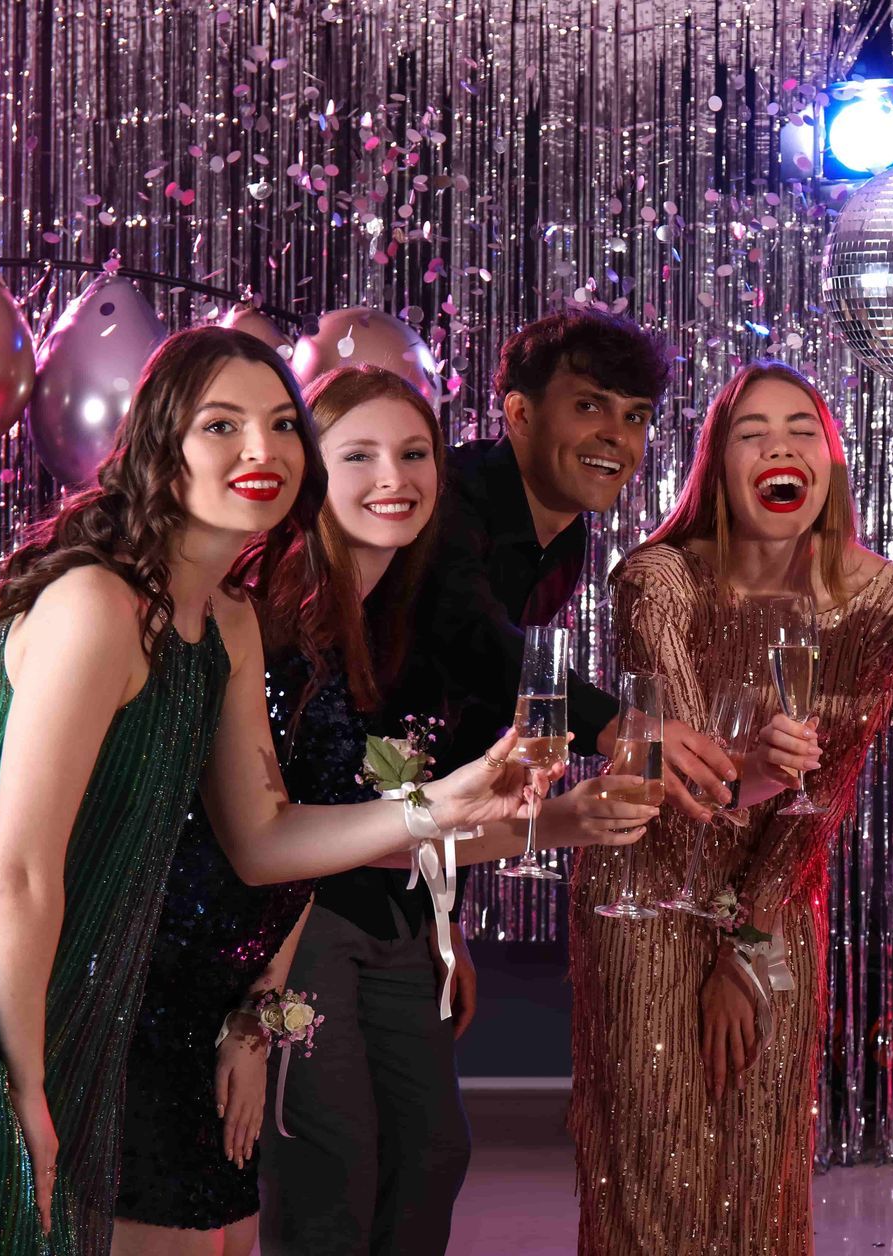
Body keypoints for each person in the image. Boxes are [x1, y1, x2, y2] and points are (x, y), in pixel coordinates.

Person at [0, 327, 537, 1256]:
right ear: (159, 446)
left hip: (121, 1002)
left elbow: (263, 840)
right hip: (2, 1002)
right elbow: (18, 875)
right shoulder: (95, 606)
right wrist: (23, 1090)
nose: (262, 450)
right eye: (221, 425)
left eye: (279, 423)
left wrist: (446, 803)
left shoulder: (224, 619)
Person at [113, 365, 653, 1256]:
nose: (393, 479)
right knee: (332, 1171)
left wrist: (551, 827)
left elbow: (398, 816)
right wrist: (255, 1012)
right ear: (311, 470)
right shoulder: (271, 612)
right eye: (357, 455)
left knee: (432, 1157)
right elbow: (270, 836)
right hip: (278, 933)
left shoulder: (401, 609)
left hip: (388, 917)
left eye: (414, 454)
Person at [263, 312, 727, 1255]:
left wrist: (449, 919)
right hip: (309, 882)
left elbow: (449, 730)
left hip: (404, 874)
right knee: (336, 1164)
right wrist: (622, 725)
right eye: (589, 406)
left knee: (429, 1158)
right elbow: (475, 647)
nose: (616, 436)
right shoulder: (451, 505)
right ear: (514, 414)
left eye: (635, 417)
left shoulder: (558, 547)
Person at [568, 360, 893, 1254]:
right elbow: (685, 778)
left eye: (803, 429)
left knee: (758, 1172)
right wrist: (754, 771)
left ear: (831, 461)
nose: (780, 446)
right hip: (643, 893)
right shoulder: (658, 580)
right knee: (656, 1164)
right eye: (751, 431)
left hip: (775, 895)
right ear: (718, 464)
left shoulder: (882, 602)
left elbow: (825, 795)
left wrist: (749, 942)